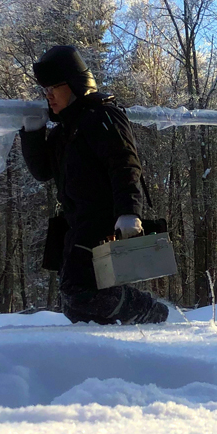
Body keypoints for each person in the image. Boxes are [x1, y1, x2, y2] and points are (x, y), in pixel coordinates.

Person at [19, 45, 169, 325]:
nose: (48, 94)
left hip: (103, 223)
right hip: (75, 224)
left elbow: (124, 163)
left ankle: (153, 312)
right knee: (74, 305)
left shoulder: (102, 116)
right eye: (45, 89)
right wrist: (32, 133)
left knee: (78, 295)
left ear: (75, 84)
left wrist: (129, 211)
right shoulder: (65, 130)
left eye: (54, 86)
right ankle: (118, 344)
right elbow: (42, 171)